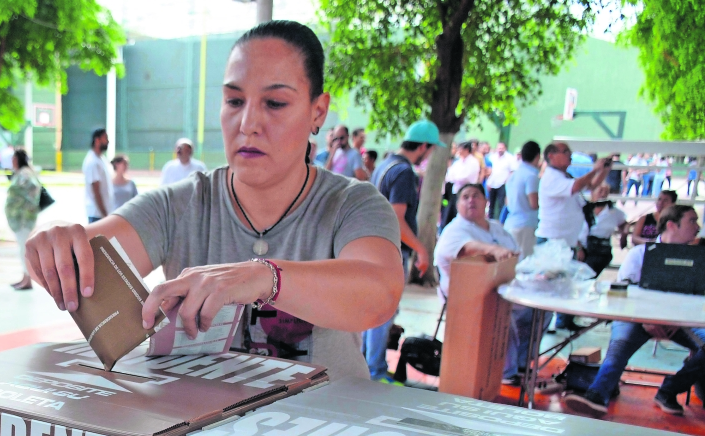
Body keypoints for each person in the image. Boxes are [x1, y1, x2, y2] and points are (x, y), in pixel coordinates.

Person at [26, 20, 403, 379]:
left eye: (274, 103)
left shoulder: (353, 204)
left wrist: (261, 277)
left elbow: (379, 292)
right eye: (234, 101)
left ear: (317, 111)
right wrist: (53, 247)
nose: (248, 124)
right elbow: (87, 261)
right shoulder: (178, 206)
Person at [564, 205, 704, 416]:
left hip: (678, 323)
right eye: (692, 221)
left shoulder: (698, 260)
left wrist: (676, 320)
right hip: (635, 318)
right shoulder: (640, 254)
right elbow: (623, 294)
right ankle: (596, 396)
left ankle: (669, 390)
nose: (697, 227)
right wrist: (647, 319)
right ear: (672, 225)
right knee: (618, 350)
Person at [362, 120, 439, 381]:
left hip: (373, 247)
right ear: (424, 146)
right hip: (391, 252)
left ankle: (366, 366)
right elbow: (397, 218)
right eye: (430, 150)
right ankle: (375, 371)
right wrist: (422, 250)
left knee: (372, 311)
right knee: (382, 312)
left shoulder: (385, 165)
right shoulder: (404, 172)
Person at [536, 142, 611, 329]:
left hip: (566, 241)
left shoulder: (563, 176)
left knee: (565, 284)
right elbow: (577, 186)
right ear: (551, 156)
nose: (570, 155)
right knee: (548, 289)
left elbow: (589, 186)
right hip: (552, 242)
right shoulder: (551, 177)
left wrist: (603, 171)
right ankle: (543, 325)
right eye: (565, 151)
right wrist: (595, 169)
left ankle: (563, 320)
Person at [434, 184, 518, 300]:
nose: (471, 200)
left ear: (486, 202)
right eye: (465, 197)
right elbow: (466, 249)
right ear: (458, 205)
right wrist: (494, 250)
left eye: (476, 196)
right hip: (466, 296)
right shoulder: (453, 229)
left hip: (504, 290)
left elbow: (516, 253)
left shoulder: (496, 227)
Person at [5, 148, 43, 290]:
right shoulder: (22, 173)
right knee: (22, 249)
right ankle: (25, 277)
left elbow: (31, 192)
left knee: (24, 250)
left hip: (24, 220)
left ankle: (28, 279)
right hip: (21, 219)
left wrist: (22, 205)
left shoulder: (25, 174)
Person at [503, 141, 542, 258]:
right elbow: (534, 203)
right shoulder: (531, 176)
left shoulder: (513, 175)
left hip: (511, 222)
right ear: (537, 157)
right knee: (524, 263)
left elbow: (507, 201)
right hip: (526, 225)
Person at [580, 184, 627, 275]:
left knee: (588, 271)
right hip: (581, 247)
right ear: (592, 192)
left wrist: (624, 236)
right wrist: (578, 248)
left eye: (606, 192)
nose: (603, 194)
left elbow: (624, 225)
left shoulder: (613, 212)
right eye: (600, 191)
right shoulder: (582, 208)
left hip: (600, 251)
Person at [83, 128, 112, 223]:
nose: (108, 141)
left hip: (103, 214)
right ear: (97, 140)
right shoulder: (92, 162)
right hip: (97, 214)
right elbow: (96, 190)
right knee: (100, 238)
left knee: (108, 238)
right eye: (105, 138)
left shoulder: (101, 159)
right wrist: (104, 214)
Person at [486, 142, 516, 219]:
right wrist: (488, 182)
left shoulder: (510, 158)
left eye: (502, 148)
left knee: (501, 204)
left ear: (505, 148)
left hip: (502, 183)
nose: (500, 150)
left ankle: (499, 220)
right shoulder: (492, 157)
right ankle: (490, 219)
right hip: (492, 183)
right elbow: (489, 170)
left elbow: (512, 171)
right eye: (499, 148)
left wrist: (507, 180)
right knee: (491, 204)